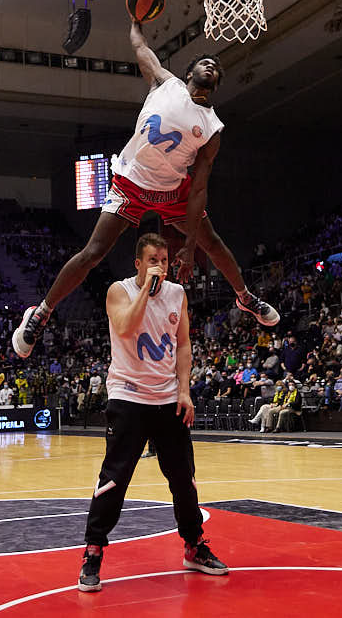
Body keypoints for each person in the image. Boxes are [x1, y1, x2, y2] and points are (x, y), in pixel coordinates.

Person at [14, 20, 278, 359]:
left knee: (213, 242)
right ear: (189, 73)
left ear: (216, 83)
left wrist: (190, 244)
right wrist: (134, 20)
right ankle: (41, 313)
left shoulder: (212, 129)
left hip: (172, 191)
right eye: (204, 61)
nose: (211, 64)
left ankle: (245, 297)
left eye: (216, 66)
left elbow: (198, 189)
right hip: (132, 183)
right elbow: (140, 48)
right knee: (93, 253)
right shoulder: (164, 83)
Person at [78, 233, 228, 592]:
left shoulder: (178, 294)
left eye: (163, 259)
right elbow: (126, 326)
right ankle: (93, 551)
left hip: (167, 397)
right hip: (128, 397)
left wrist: (185, 390)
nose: (159, 265)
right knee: (114, 479)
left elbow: (183, 343)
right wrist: (147, 288)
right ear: (138, 264)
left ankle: (194, 546)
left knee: (184, 478)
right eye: (152, 260)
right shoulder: (120, 290)